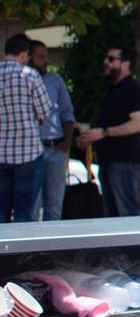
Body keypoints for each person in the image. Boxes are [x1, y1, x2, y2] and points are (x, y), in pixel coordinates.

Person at [77, 43, 140, 217]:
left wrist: (105, 132)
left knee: (126, 212)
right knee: (112, 214)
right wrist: (93, 136)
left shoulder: (132, 89)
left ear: (126, 64)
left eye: (111, 59)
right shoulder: (114, 90)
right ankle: (119, 245)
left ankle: (134, 244)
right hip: (109, 160)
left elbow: (139, 123)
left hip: (124, 161)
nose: (106, 62)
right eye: (106, 58)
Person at [0, 33, 51, 223]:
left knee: (1, 211)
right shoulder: (30, 76)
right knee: (25, 212)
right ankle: (21, 253)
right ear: (24, 55)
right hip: (28, 153)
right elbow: (44, 111)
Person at [29, 41, 75, 222]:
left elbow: (67, 113)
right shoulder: (25, 80)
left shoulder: (55, 81)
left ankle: (52, 249)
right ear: (29, 57)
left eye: (46, 56)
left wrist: (67, 141)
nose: (46, 61)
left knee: (54, 205)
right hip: (33, 150)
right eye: (41, 56)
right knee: (32, 205)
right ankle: (29, 247)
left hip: (56, 147)